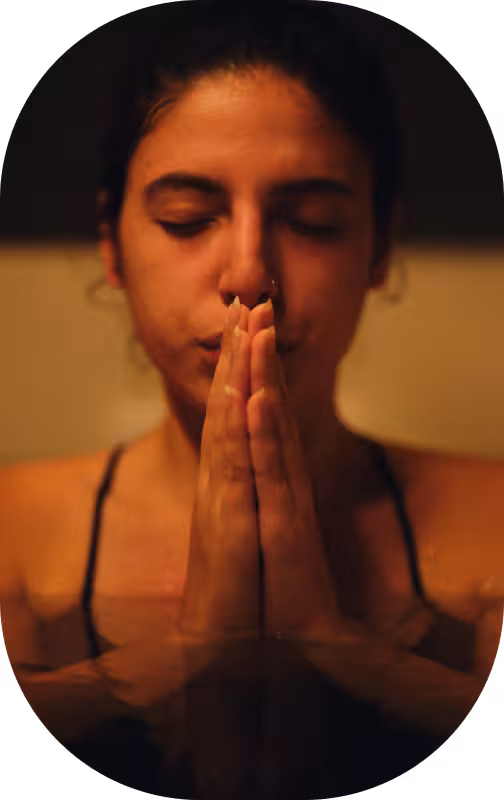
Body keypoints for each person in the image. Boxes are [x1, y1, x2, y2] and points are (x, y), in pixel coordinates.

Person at [1, 1, 503, 796]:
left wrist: (330, 642)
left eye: (312, 221)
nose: (245, 273)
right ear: (112, 244)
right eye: (186, 217)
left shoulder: (494, 526)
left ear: (380, 246)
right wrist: (203, 642)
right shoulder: (12, 536)